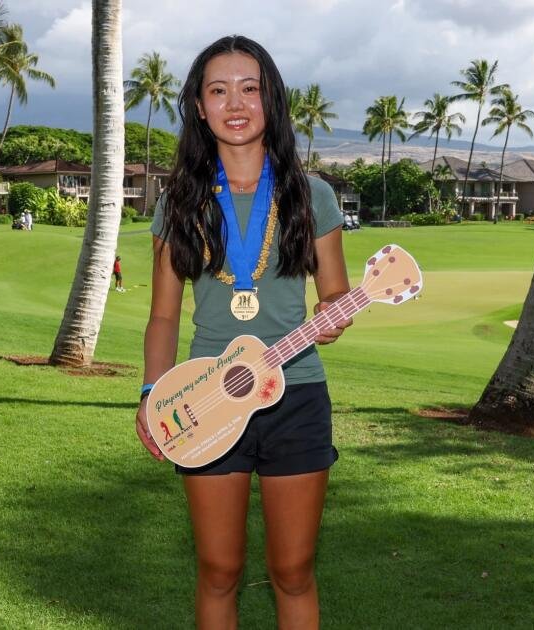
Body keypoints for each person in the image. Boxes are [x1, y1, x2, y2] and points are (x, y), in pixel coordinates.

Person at [137, 35, 350, 630]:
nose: (236, 103)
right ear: (200, 108)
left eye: (250, 88)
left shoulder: (314, 196)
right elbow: (163, 317)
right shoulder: (179, 203)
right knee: (218, 571)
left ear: (272, 101)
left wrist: (334, 315)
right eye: (218, 90)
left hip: (298, 394)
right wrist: (152, 396)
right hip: (203, 399)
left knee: (294, 572)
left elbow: (335, 292)